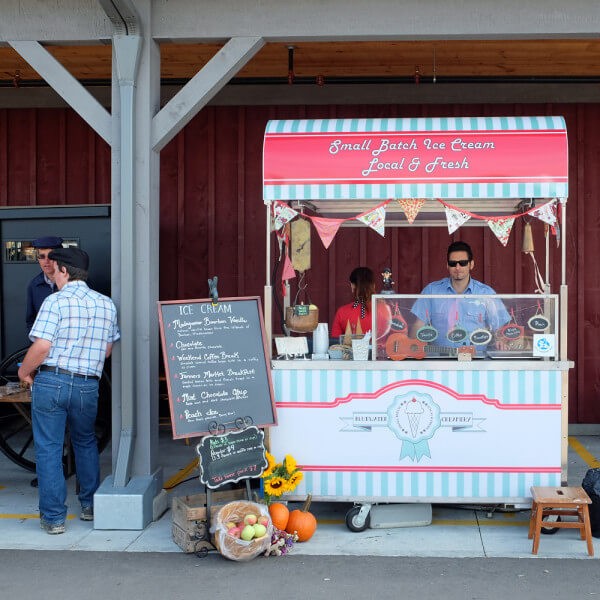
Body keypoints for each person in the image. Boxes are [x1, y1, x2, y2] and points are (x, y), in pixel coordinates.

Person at [17, 247, 120, 535]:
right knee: (85, 442)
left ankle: (54, 519)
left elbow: (42, 346)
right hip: (88, 383)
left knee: (49, 448)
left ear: (63, 271)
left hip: (52, 381)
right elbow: (108, 349)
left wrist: (24, 372)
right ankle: (89, 506)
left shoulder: (55, 302)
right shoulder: (106, 304)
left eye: (54, 266)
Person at [410, 241, 510, 349]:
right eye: (453, 263)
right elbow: (418, 325)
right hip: (440, 361)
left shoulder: (486, 293)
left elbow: (499, 329)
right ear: (447, 265)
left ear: (471, 264)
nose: (457, 267)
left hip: (476, 361)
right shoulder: (431, 291)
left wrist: (501, 341)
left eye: (462, 263)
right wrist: (413, 349)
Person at [26, 236, 64, 332]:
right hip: (43, 344)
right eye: (41, 256)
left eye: (51, 256)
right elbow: (31, 320)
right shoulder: (34, 285)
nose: (46, 261)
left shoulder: (74, 282)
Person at [331, 267, 376, 337]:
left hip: (351, 348)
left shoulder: (342, 312)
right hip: (380, 348)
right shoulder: (386, 309)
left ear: (352, 286)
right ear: (373, 286)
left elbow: (336, 343)